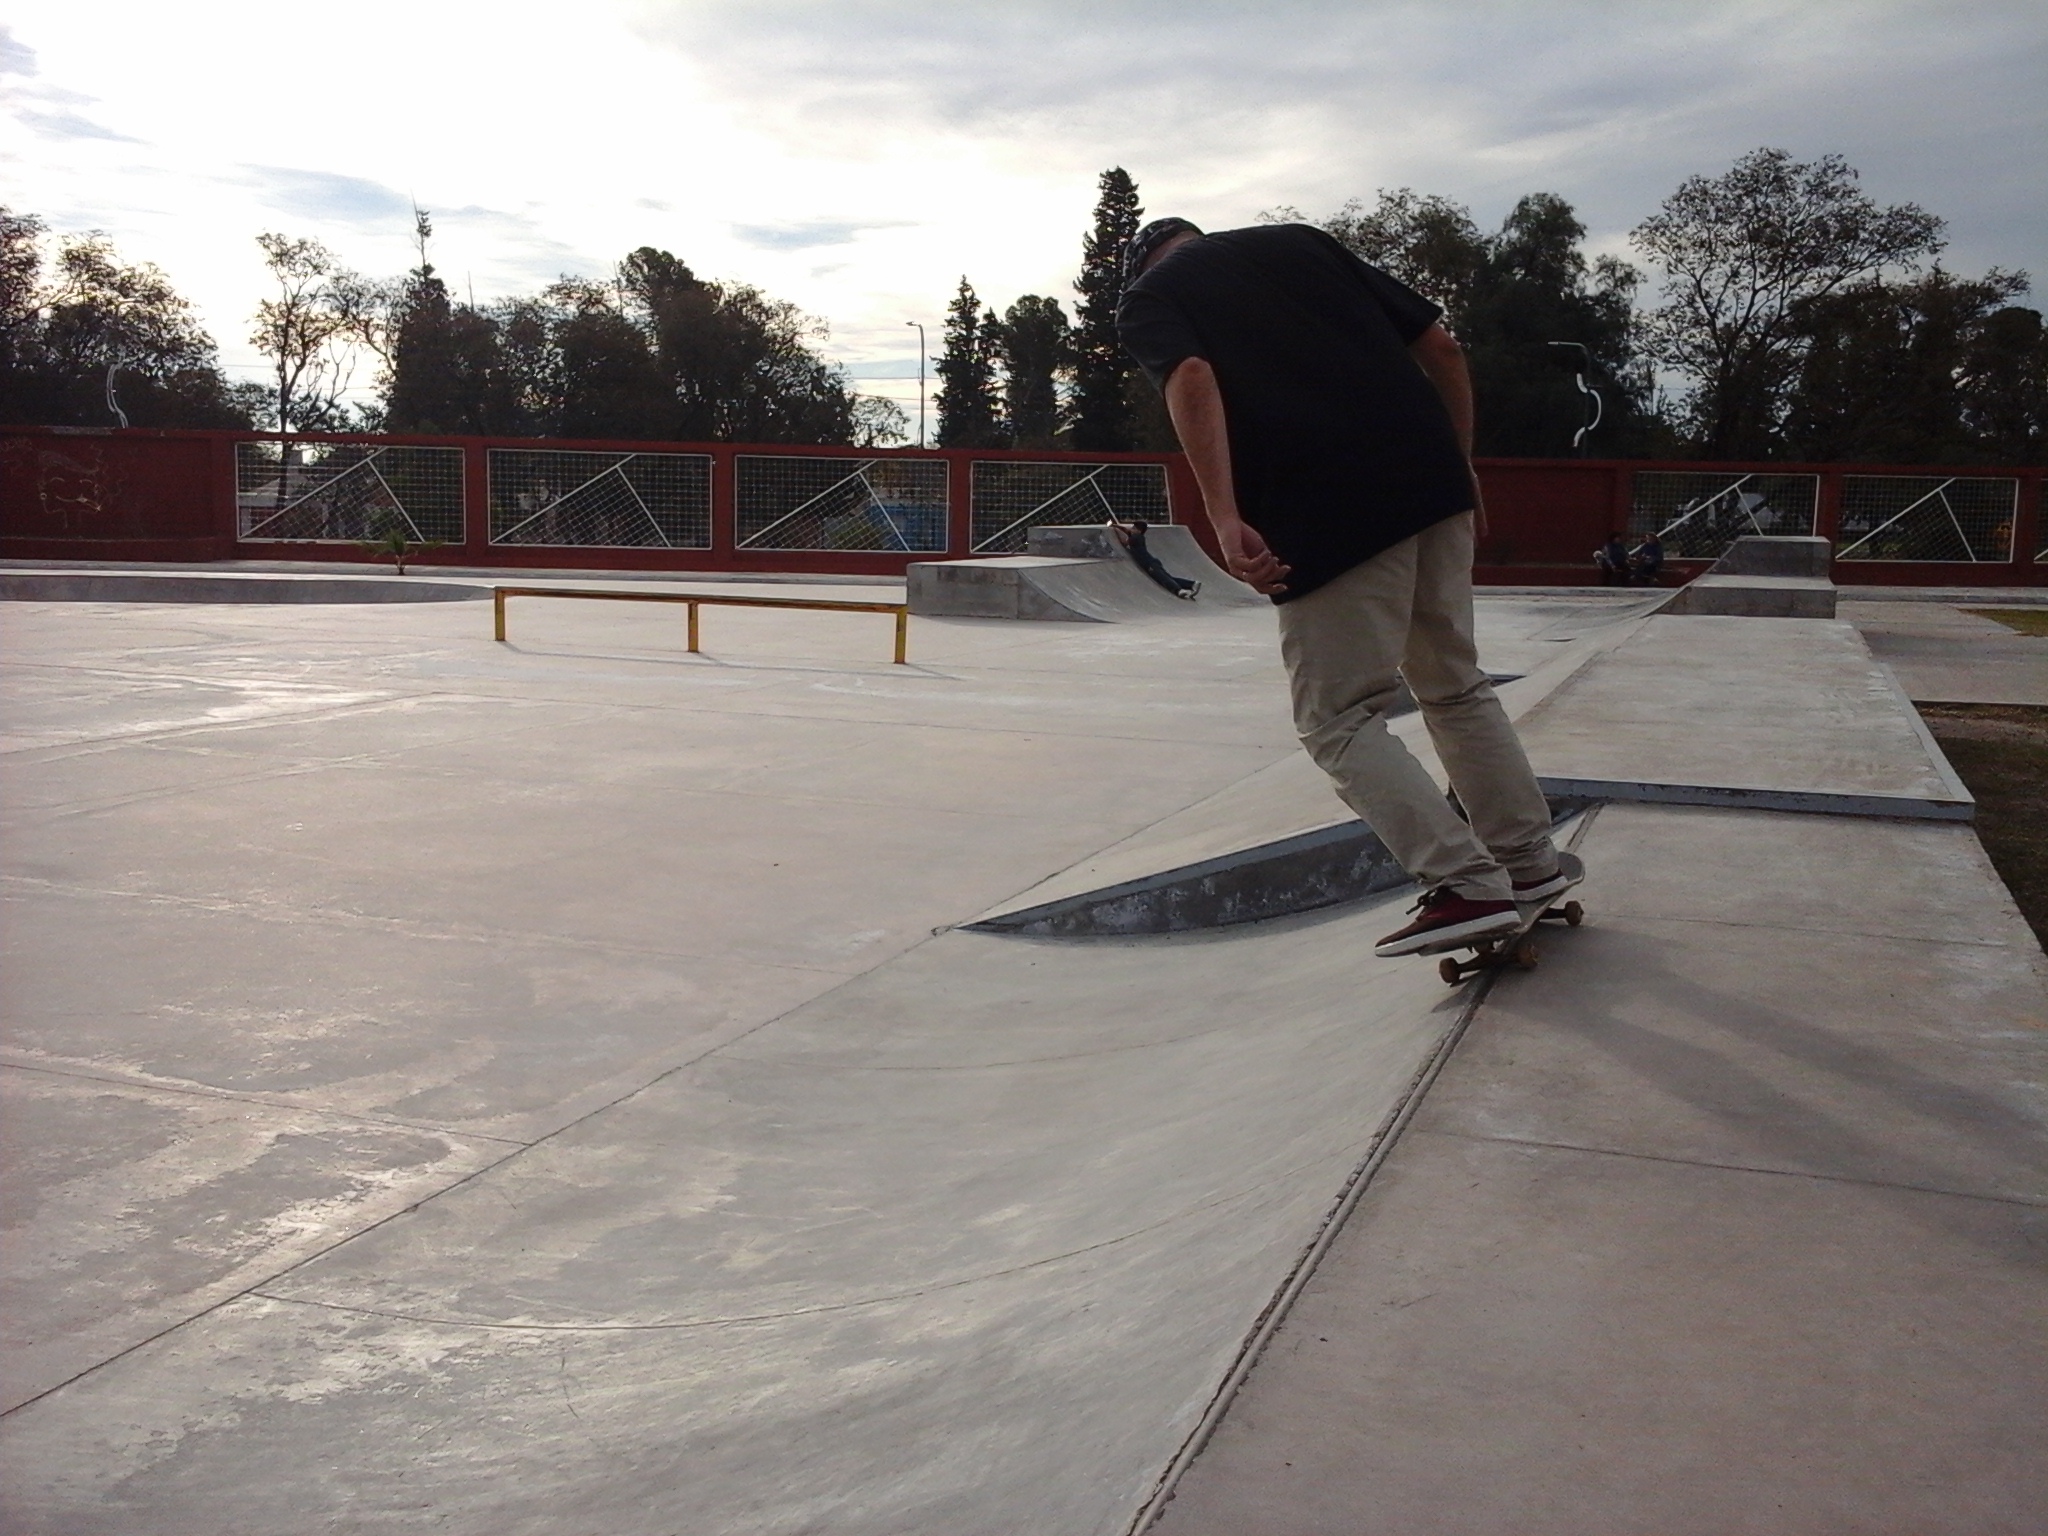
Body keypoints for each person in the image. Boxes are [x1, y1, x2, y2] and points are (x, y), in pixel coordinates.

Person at [1117, 217, 1575, 957]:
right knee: (1455, 686)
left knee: (1335, 717)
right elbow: (1443, 347)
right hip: (1434, 488)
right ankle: (1529, 865)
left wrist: (1224, 515)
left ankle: (1465, 882)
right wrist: (1459, 466)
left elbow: (1192, 378)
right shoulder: (1301, 242)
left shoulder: (1151, 296)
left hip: (1329, 510)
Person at [1107, 514, 1200, 600]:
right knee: (1168, 577)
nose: (1131, 529)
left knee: (1162, 578)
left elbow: (1124, 542)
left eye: (1133, 528)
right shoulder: (1139, 537)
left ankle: (1178, 590)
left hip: (1149, 564)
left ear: (1138, 530)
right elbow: (1126, 530)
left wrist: (1115, 531)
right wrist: (1115, 525)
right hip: (1152, 562)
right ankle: (1192, 584)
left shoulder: (1136, 538)